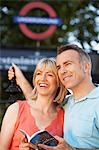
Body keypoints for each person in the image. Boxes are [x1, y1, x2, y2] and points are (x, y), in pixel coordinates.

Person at [8, 44, 99, 149]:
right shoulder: (66, 103)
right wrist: (20, 79)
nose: (63, 71)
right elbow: (38, 104)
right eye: (59, 67)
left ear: (86, 67)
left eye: (68, 64)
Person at [0, 58, 72, 150]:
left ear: (58, 82)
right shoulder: (15, 109)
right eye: (39, 73)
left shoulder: (64, 116)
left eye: (50, 75)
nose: (43, 79)